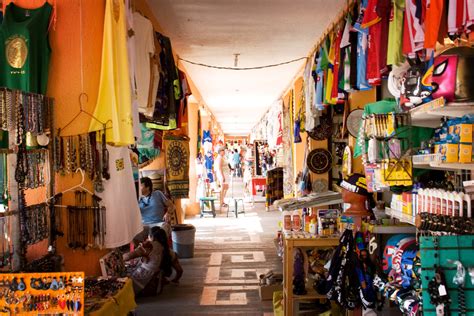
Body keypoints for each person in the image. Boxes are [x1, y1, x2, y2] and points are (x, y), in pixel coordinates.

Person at [124, 226, 183, 296]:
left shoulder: (149, 246)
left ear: (151, 236)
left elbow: (127, 256)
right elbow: (180, 270)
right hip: (156, 288)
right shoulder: (170, 252)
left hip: (141, 287)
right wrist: (174, 280)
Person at [136, 177, 175, 243]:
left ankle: (156, 248)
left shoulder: (158, 194)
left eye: (141, 186)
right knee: (134, 235)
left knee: (165, 228)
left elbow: (172, 206)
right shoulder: (138, 199)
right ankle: (143, 250)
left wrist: (168, 213)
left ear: (147, 187)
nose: (139, 188)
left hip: (159, 224)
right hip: (144, 226)